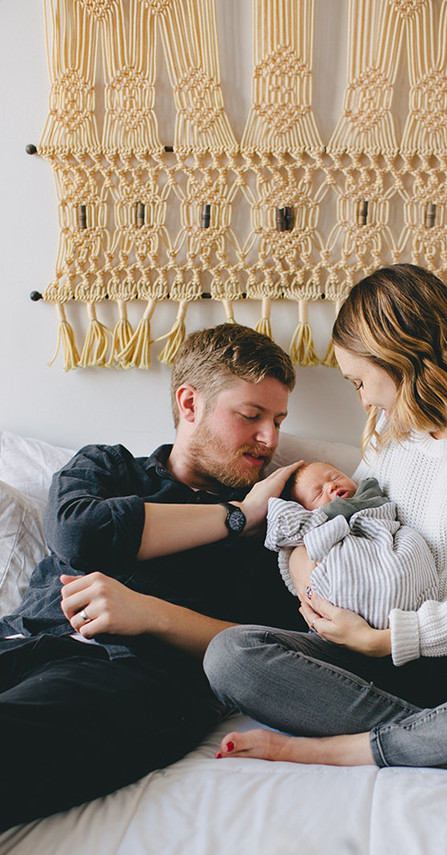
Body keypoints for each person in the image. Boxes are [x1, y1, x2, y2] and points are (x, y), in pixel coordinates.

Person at [204, 264, 447, 780]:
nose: (364, 401)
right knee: (231, 656)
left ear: (402, 356)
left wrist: (390, 639)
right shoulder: (392, 429)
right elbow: (337, 518)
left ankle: (351, 748)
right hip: (385, 660)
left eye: (360, 381)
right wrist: (305, 570)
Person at [0, 323, 305, 831]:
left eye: (277, 420)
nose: (270, 439)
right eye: (251, 416)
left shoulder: (277, 524)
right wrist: (234, 515)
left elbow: (277, 650)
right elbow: (79, 534)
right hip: (20, 637)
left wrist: (151, 615)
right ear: (190, 404)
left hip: (127, 677)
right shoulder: (108, 467)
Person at [266, 462, 439, 629]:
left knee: (411, 540)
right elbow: (314, 546)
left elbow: (386, 515)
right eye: (318, 493)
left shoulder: (372, 498)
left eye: (335, 477)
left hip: (393, 563)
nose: (331, 486)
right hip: (350, 597)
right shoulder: (317, 525)